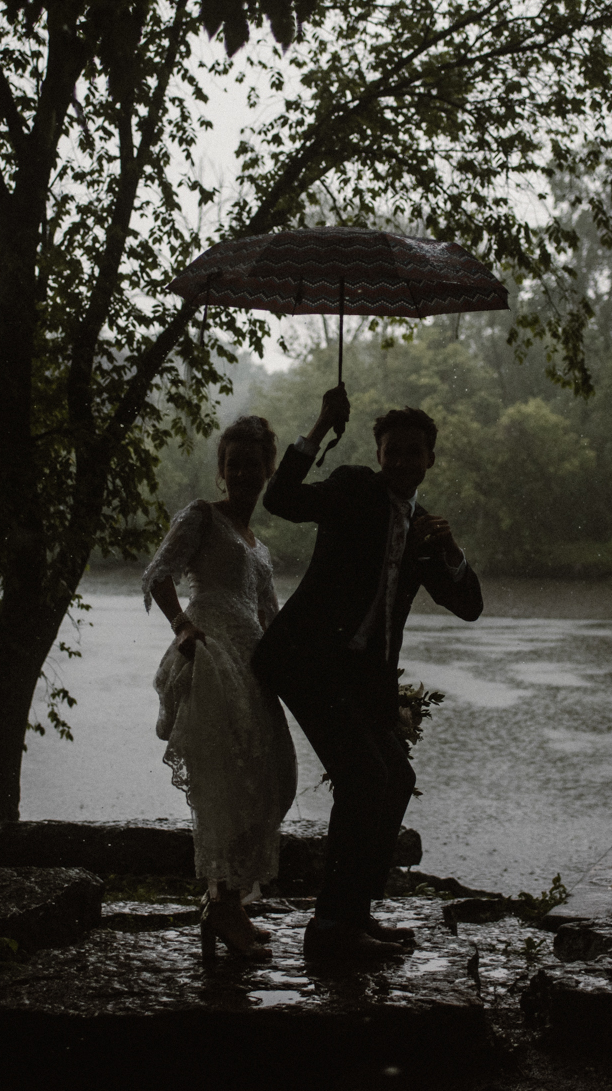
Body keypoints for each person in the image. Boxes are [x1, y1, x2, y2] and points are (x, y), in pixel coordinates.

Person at [252, 386, 483, 965]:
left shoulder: (427, 531)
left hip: (358, 681)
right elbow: (280, 499)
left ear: (431, 459)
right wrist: (321, 426)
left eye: (414, 452)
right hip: (305, 663)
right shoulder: (353, 487)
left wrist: (452, 552)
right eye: (393, 450)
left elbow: (471, 605)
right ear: (378, 454)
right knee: (364, 781)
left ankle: (353, 915)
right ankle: (331, 928)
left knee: (394, 781)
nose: (403, 461)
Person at [144, 415, 299, 962]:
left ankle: (225, 904)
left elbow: (269, 611)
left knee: (270, 777)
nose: (242, 473)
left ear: (268, 470)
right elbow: (159, 573)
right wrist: (182, 626)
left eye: (253, 464)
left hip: (253, 662)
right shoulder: (201, 518)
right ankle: (222, 906)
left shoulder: (257, 544)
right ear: (221, 470)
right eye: (233, 464)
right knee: (227, 781)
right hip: (211, 655)